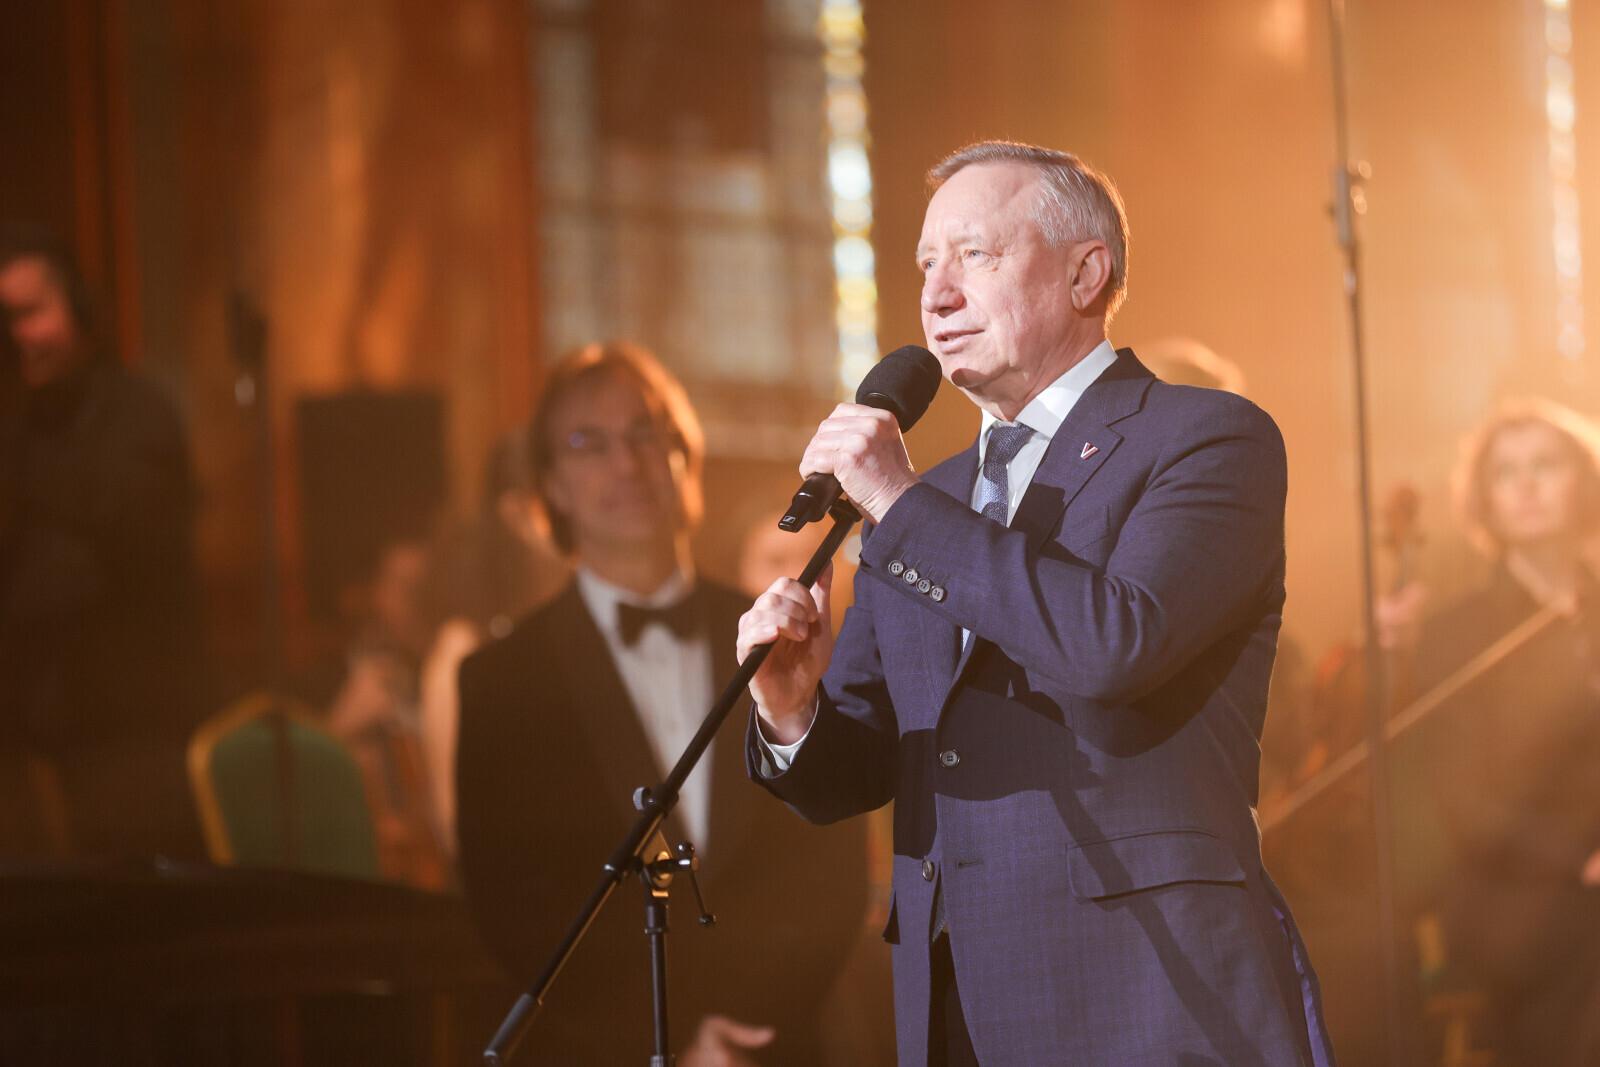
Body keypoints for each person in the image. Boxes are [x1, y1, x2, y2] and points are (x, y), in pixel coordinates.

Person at [738, 141, 1335, 1066]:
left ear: (1085, 273)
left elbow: (1116, 643)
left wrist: (898, 502)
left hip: (1149, 992)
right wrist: (789, 706)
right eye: (926, 265)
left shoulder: (1206, 438)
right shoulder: (927, 499)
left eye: (974, 255)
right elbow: (853, 771)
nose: (937, 295)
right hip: (957, 1007)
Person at [454, 342, 869, 1064]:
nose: (626, 463)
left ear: (687, 457)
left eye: (646, 433)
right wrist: (673, 1041)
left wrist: (746, 1032)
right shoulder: (501, 679)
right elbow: (513, 905)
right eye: (590, 443)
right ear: (551, 485)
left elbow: (830, 852)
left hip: (776, 1044)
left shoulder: (781, 629)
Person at [1386, 399, 1600, 1066]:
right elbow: (1468, 804)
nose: (1528, 485)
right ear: (1486, 500)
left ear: (1584, 480)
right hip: (1522, 889)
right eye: (1507, 472)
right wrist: (1581, 858)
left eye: (1546, 465)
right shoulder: (1458, 634)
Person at [0, 223, 203, 860]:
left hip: (132, 758)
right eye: (5, 321)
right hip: (34, 758)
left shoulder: (140, 415)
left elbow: (131, 549)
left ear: (79, 309)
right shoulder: (17, 427)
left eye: (31, 313)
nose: (19, 336)